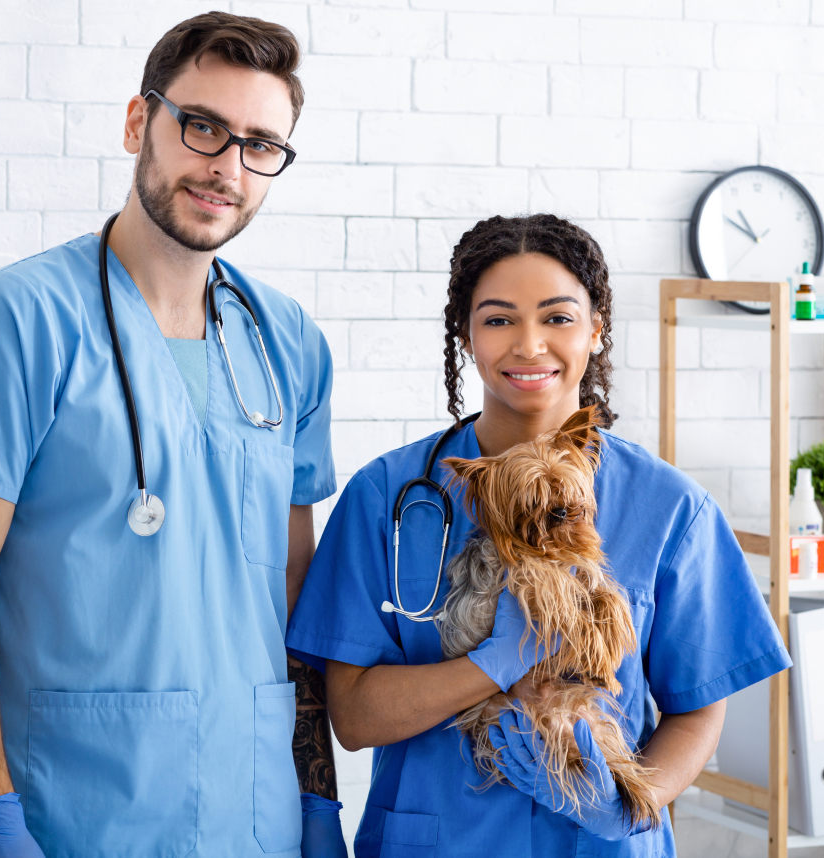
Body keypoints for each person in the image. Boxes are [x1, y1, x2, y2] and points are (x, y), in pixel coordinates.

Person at [0, 13, 345, 857]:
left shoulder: (287, 341)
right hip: (74, 812)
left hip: (256, 815)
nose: (226, 167)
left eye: (261, 145)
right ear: (138, 123)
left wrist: (315, 796)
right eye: (203, 126)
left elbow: (295, 602)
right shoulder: (18, 321)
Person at [285, 214, 792, 856]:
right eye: (498, 319)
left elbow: (698, 711)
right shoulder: (387, 496)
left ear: (596, 330)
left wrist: (627, 807)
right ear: (466, 336)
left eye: (557, 317)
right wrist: (494, 661)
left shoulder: (670, 509)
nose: (529, 345)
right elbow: (354, 718)